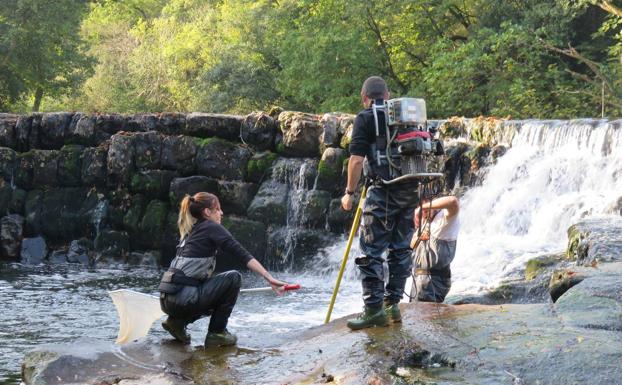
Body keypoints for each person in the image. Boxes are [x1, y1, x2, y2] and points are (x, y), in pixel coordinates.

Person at [158, 192, 287, 347]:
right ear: (207, 212)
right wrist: (268, 277)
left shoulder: (191, 231)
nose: (221, 213)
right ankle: (217, 333)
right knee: (233, 278)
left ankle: (177, 323)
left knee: (215, 289)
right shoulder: (211, 227)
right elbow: (240, 253)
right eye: (218, 209)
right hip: (184, 300)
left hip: (166, 301)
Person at [341, 76, 419, 330]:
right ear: (387, 95)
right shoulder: (407, 116)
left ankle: (373, 310)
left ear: (364, 97)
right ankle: (392, 305)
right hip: (410, 188)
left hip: (383, 192)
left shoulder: (365, 117)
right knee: (400, 249)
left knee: (371, 251)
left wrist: (349, 193)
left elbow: (355, 160)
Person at [410, 195, 460, 302]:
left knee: (428, 317)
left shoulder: (445, 219)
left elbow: (453, 201)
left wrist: (423, 207)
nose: (425, 211)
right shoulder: (425, 221)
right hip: (420, 280)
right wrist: (418, 236)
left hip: (433, 281)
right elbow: (411, 246)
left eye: (427, 205)